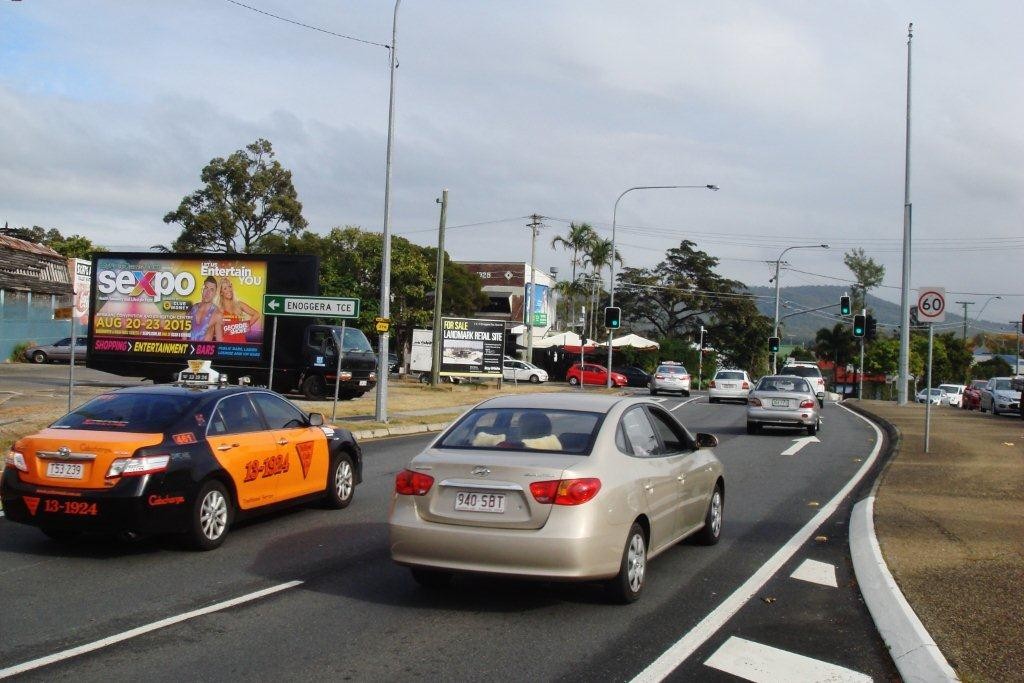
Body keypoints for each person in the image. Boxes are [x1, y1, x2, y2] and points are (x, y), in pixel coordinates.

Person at [218, 277, 261, 343]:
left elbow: (257, 314)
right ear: (221, 292)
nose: (229, 290)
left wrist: (242, 327)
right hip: (225, 345)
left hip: (240, 345)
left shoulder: (239, 304)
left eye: (229, 287)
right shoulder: (219, 309)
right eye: (225, 288)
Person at [189, 276, 222, 341]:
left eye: (211, 290)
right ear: (202, 289)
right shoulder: (192, 309)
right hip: (188, 349)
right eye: (206, 288)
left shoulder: (217, 314)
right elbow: (184, 335)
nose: (208, 292)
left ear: (215, 294)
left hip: (204, 350)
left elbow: (219, 342)